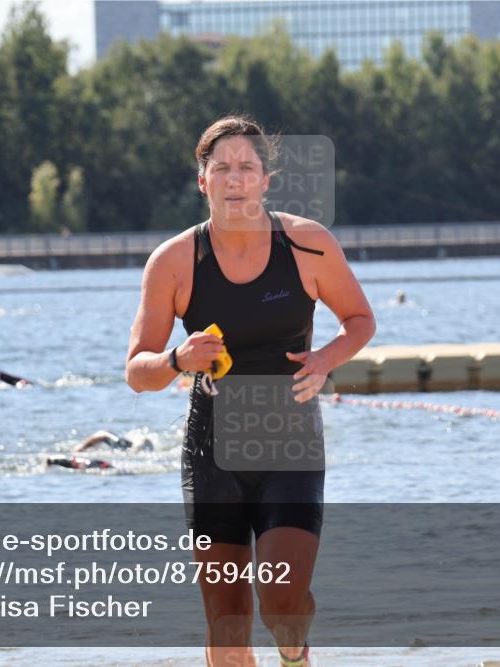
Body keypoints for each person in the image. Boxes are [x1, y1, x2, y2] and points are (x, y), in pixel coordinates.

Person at [125, 116, 375, 667]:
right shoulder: (173, 262)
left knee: (283, 603)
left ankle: (294, 654)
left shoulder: (308, 245)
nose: (234, 179)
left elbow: (359, 319)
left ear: (266, 179)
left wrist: (327, 358)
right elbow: (136, 371)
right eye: (222, 169)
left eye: (246, 168)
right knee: (227, 618)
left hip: (291, 444)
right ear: (202, 181)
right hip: (213, 449)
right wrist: (175, 359)